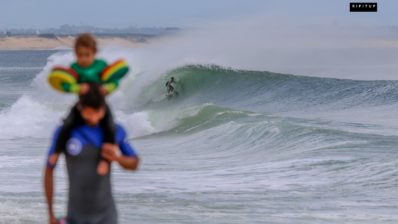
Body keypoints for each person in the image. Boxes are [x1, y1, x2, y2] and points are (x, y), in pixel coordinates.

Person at [44, 85, 140, 224]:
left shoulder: (114, 131)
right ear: (80, 108)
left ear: (103, 108)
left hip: (107, 217)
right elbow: (49, 169)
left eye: (98, 112)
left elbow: (134, 163)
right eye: (89, 113)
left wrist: (117, 158)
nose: (94, 118)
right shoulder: (65, 133)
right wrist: (50, 214)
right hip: (75, 217)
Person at [53, 33, 127, 176]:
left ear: (94, 53)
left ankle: (105, 160)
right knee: (67, 125)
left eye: (87, 55)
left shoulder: (101, 66)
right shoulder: (75, 68)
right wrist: (77, 88)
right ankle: (56, 153)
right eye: (80, 55)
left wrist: (107, 89)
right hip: (82, 106)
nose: (84, 59)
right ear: (76, 54)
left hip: (100, 105)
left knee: (110, 127)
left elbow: (114, 81)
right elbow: (65, 85)